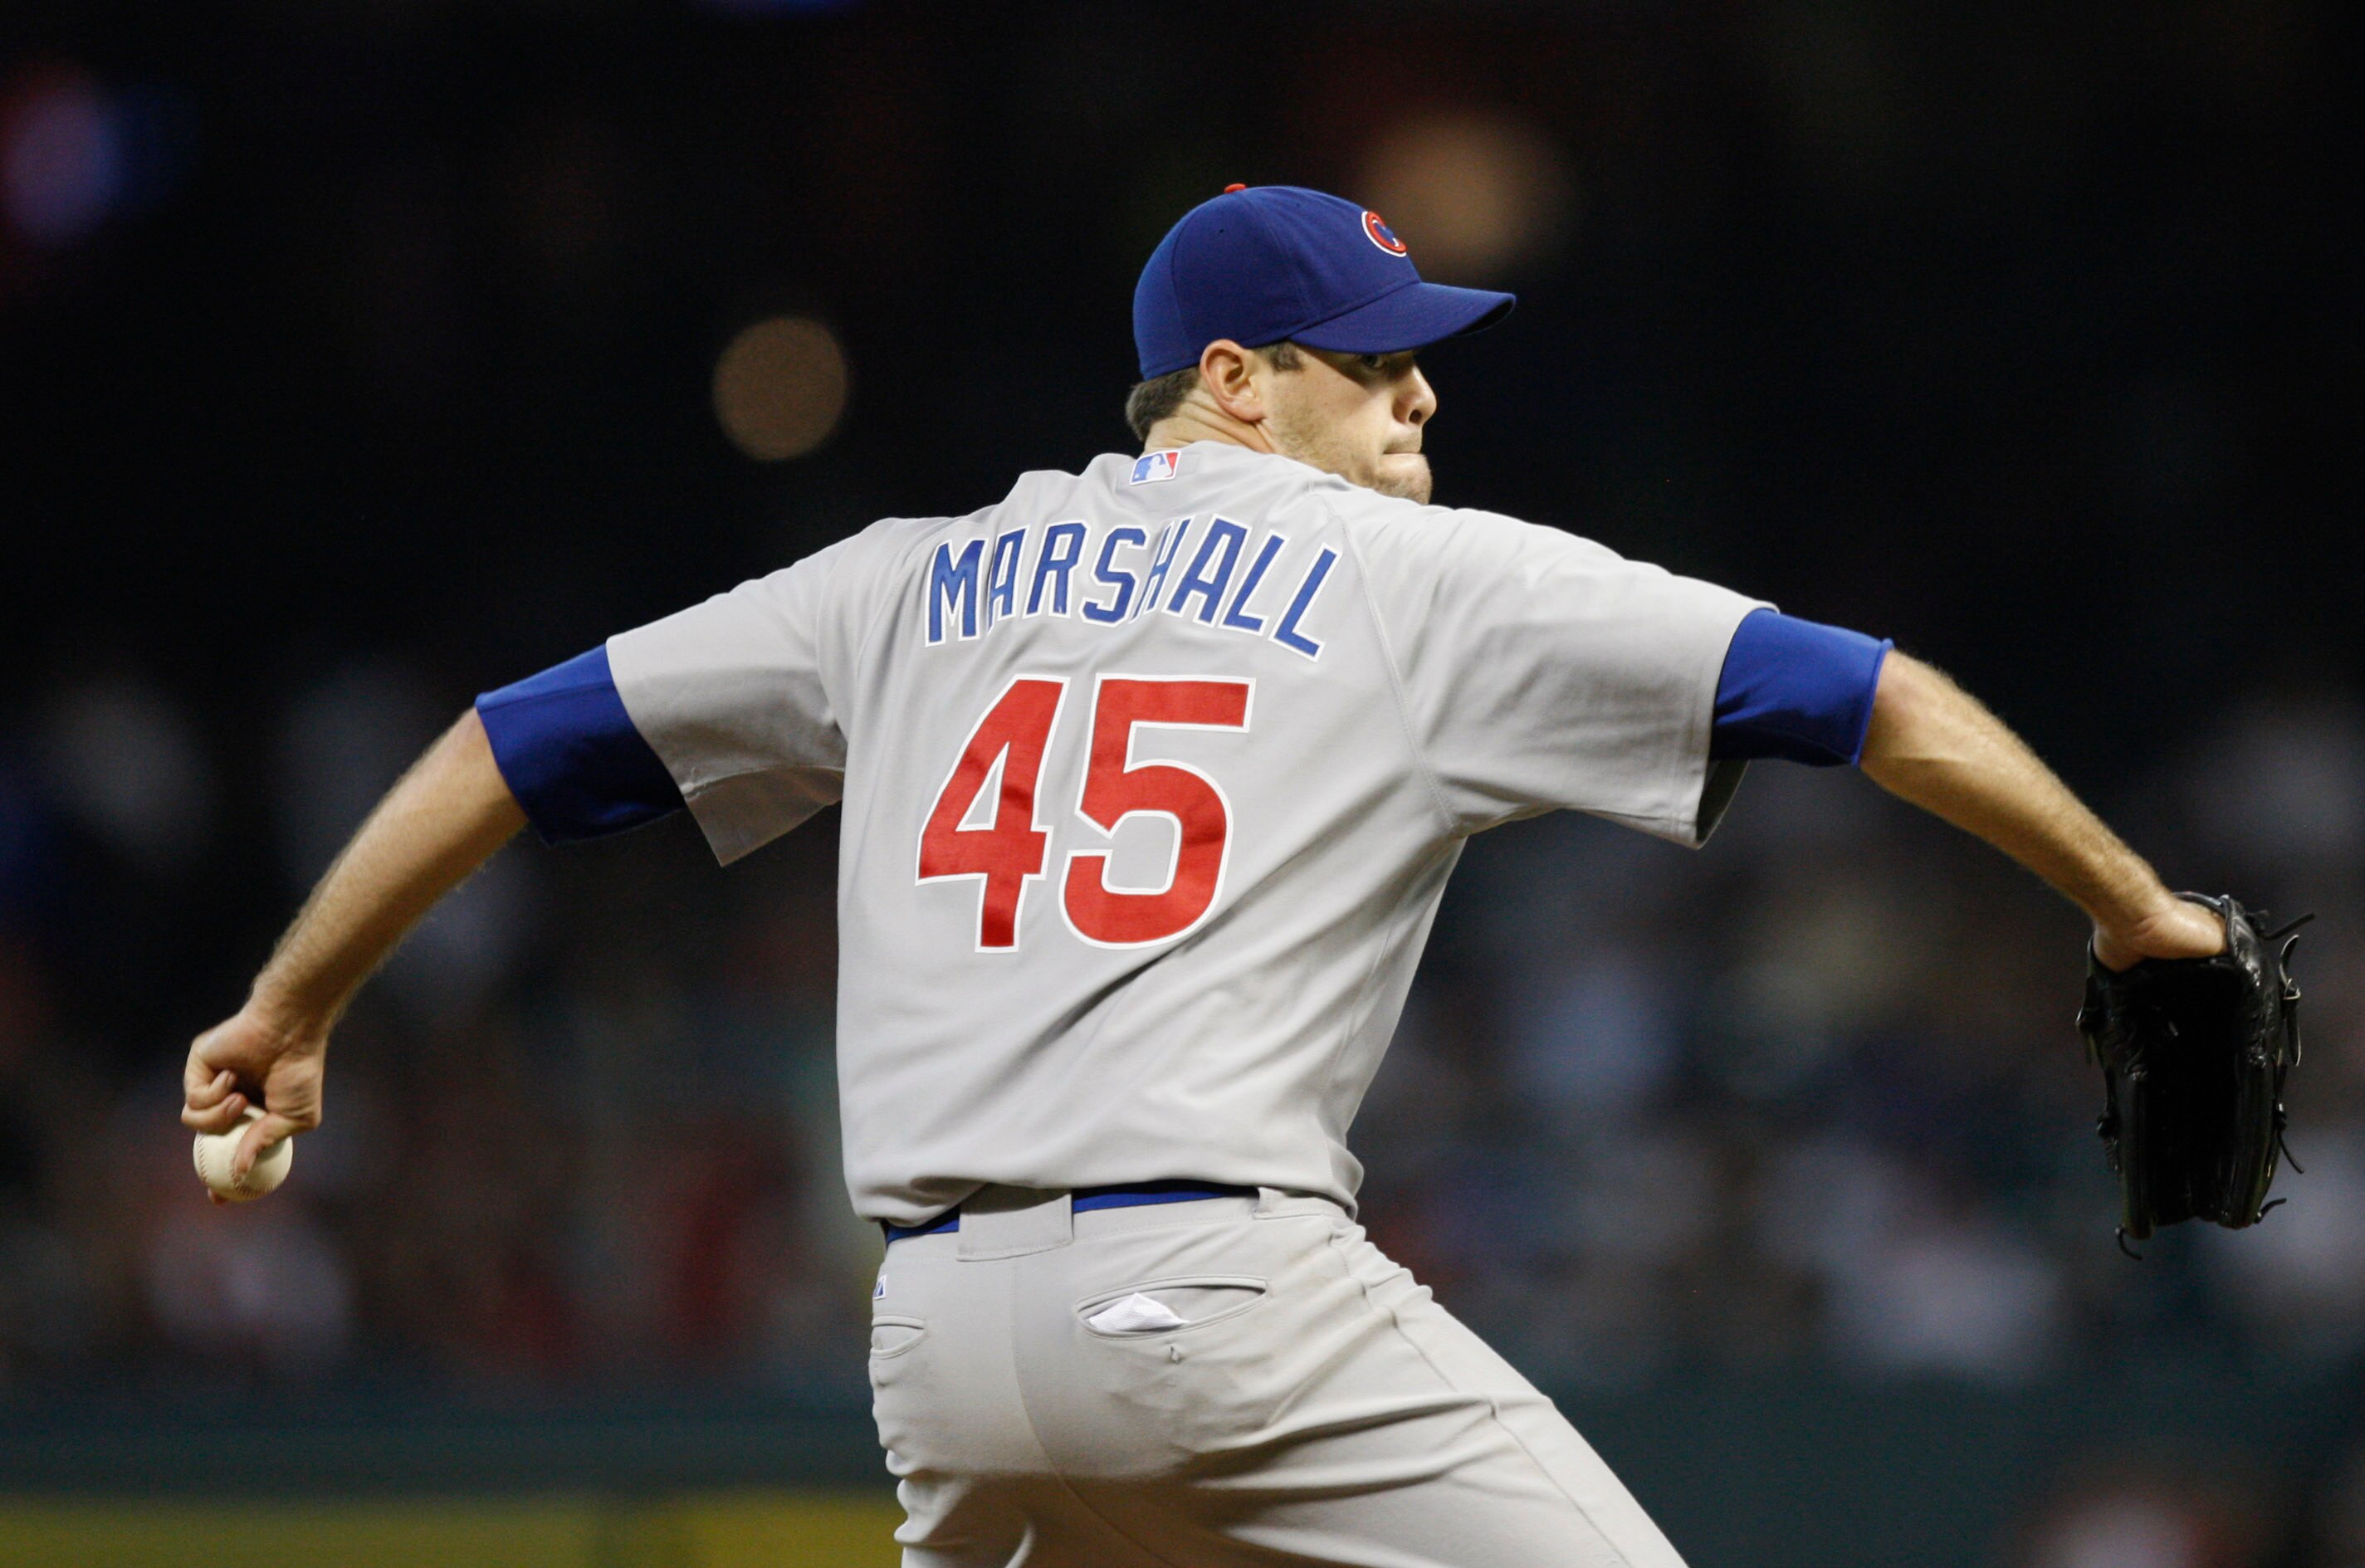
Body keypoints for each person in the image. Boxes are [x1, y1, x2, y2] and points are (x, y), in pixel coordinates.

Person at [182, 184, 2224, 1566]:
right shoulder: (1412, 574)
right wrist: (2134, 907)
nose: (1422, 390)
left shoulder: (897, 582)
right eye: (1375, 359)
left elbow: (511, 742)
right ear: (1235, 381)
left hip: (940, 1348)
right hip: (1219, 1305)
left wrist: (291, 1008)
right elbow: (1856, 693)